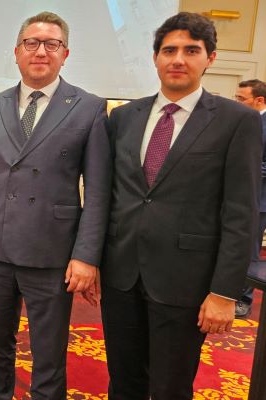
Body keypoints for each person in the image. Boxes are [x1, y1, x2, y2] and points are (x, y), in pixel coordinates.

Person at [101, 12, 262, 399]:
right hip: (121, 275)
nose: (178, 59)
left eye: (191, 50)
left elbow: (241, 213)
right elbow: (110, 195)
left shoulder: (236, 121)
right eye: (169, 50)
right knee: (123, 382)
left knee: (171, 387)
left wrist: (224, 292)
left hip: (186, 281)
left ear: (210, 58)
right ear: (155, 57)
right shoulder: (123, 117)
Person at [0, 11, 111, 399]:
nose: (40, 51)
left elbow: (98, 191)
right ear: (16, 52)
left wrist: (86, 256)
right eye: (31, 43)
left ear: (65, 53)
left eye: (51, 44)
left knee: (48, 355)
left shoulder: (89, 107)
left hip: (52, 252)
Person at [233, 79, 266, 319]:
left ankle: (243, 300)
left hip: (259, 200)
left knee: (249, 251)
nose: (236, 102)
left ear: (259, 100)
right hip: (237, 198)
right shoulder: (242, 120)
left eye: (241, 99)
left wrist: (246, 169)